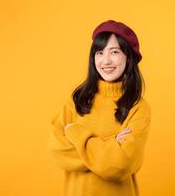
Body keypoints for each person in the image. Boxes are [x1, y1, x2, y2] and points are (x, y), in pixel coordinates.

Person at [47, 19, 151, 196]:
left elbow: (120, 165)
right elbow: (57, 150)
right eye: (99, 53)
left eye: (115, 52)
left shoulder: (138, 107)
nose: (106, 61)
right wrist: (110, 145)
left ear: (128, 57)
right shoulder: (77, 100)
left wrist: (77, 133)